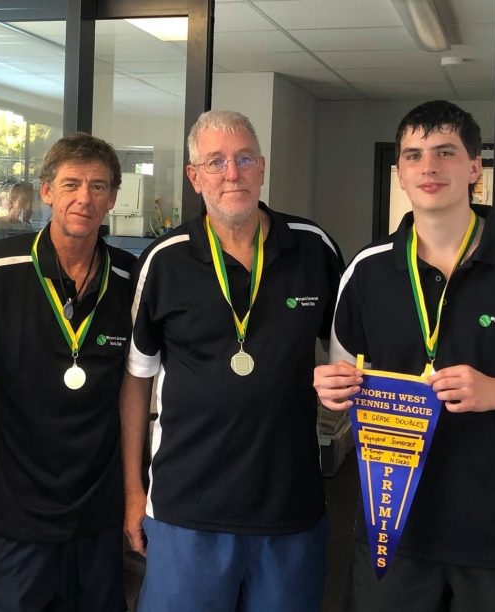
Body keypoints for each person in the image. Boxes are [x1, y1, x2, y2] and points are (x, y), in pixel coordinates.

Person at [313, 100, 495, 612]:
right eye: (414, 155)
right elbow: (344, 383)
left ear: (473, 168)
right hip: (392, 528)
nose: (429, 166)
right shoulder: (366, 271)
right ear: (400, 173)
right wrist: (331, 391)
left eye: (445, 152)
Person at [121, 110, 345, 610]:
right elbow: (136, 382)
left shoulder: (314, 248)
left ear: (262, 168)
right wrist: (134, 489)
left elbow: (351, 354)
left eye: (244, 159)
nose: (232, 173)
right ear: (194, 175)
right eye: (216, 161)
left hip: (290, 508)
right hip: (186, 508)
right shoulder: (164, 261)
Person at [0, 133, 135, 611]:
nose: (84, 198)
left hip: (97, 510)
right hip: (13, 507)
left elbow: (137, 392)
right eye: (71, 184)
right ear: (46, 190)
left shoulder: (132, 278)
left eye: (98, 186)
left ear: (112, 198)